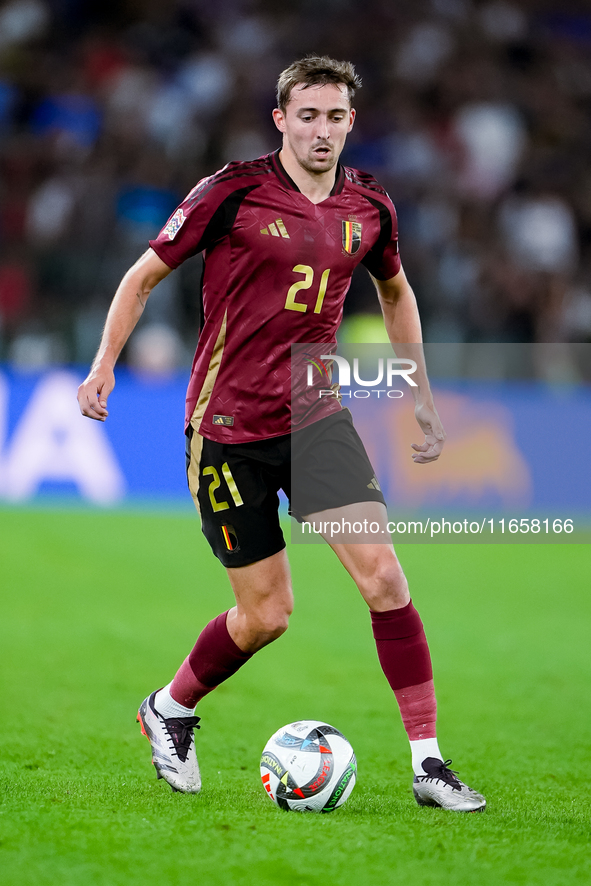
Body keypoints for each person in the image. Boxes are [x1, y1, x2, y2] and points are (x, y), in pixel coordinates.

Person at [78, 56, 485, 812]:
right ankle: (168, 708)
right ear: (281, 119)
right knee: (266, 616)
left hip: (315, 415)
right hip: (226, 426)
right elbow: (142, 276)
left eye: (334, 117)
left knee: (385, 579)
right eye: (307, 115)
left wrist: (419, 393)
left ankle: (428, 763)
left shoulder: (370, 205)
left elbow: (396, 291)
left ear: (350, 122)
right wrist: (104, 366)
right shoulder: (230, 191)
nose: (320, 130)